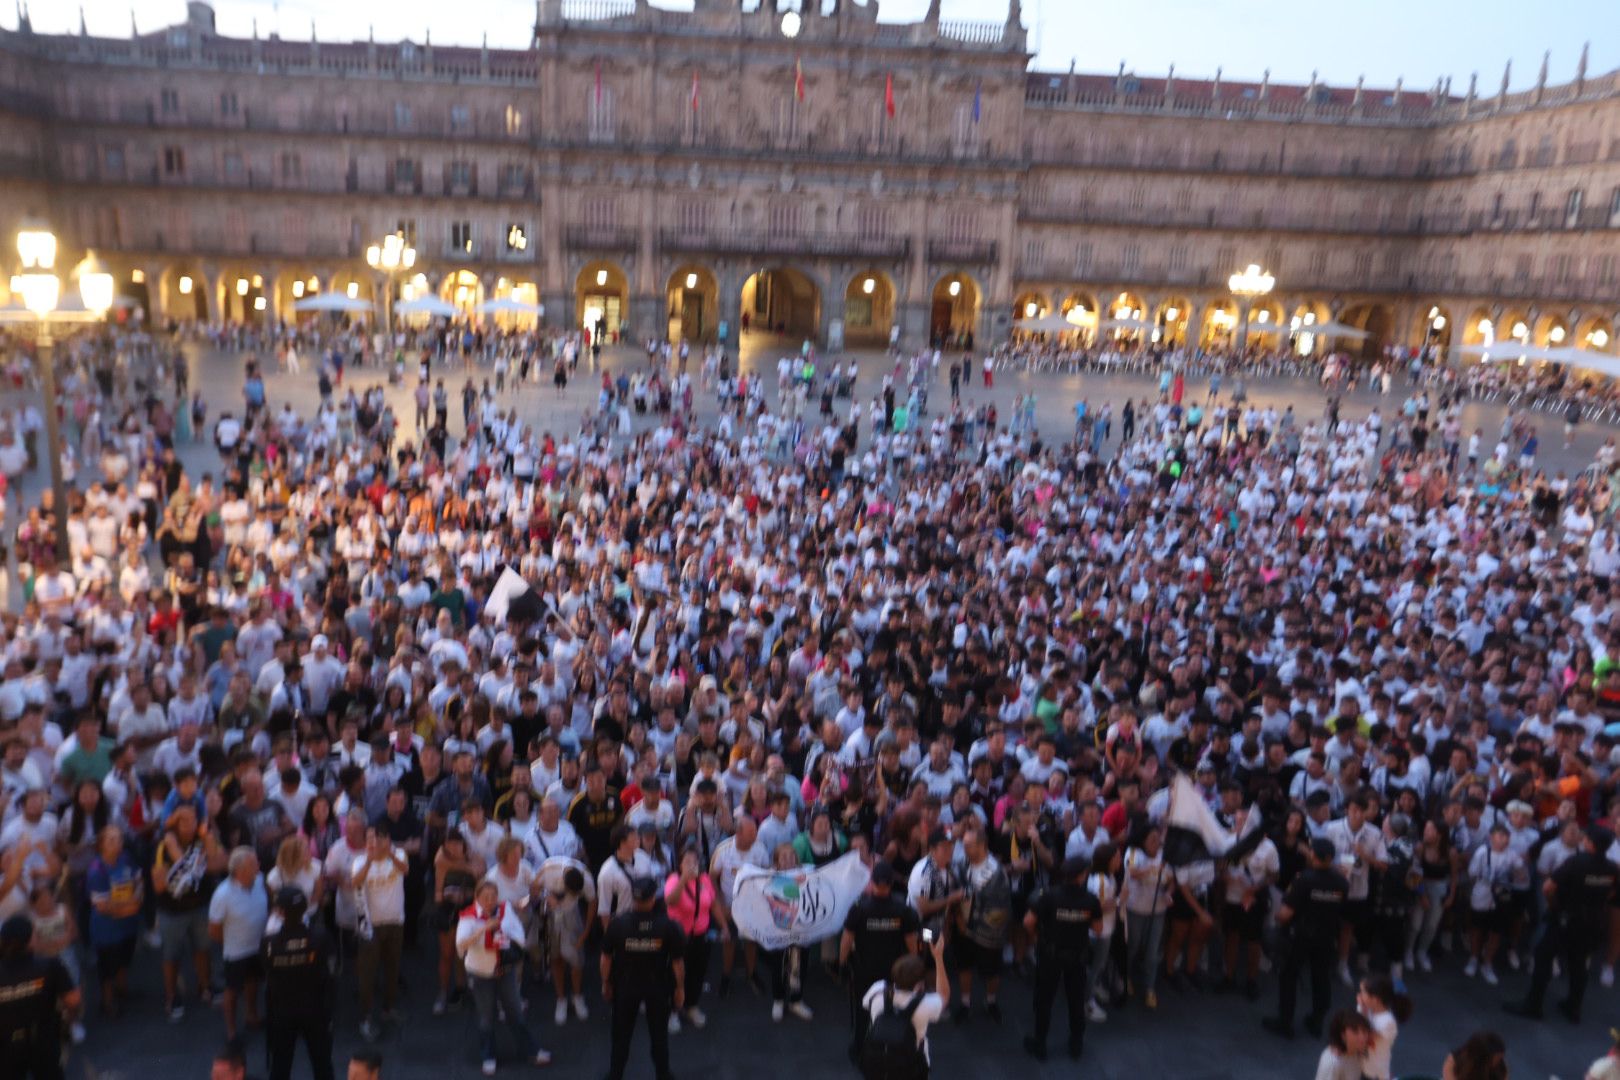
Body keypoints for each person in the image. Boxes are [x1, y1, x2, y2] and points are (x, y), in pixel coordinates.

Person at [1505, 825, 1619, 1022]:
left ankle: (1534, 1004)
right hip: (1592, 922)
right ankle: (1573, 1008)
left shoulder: (1575, 862)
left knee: (1543, 956)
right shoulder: (1612, 868)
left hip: (1566, 918)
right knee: (1579, 963)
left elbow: (1548, 887)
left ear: (1589, 842)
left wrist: (1555, 906)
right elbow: (1612, 893)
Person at [454, 879, 552, 1076]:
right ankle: (488, 1056)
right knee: (486, 1017)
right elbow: (461, 945)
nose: (490, 901)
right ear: (477, 898)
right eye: (485, 897)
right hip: (481, 973)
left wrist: (504, 935)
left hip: (505, 971)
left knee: (515, 1012)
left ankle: (531, 1051)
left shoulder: (505, 910)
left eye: (493, 897)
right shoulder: (468, 917)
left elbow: (518, 935)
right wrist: (483, 929)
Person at [601, 876, 685, 1080]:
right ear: (653, 898)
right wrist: (680, 988)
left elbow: (605, 959)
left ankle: (615, 1075)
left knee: (621, 1037)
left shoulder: (617, 924)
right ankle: (663, 1074)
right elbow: (677, 963)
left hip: (625, 987)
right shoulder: (668, 926)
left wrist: (606, 983)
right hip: (657, 987)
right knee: (659, 1037)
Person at [1263, 837, 1348, 1040]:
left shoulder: (1304, 880)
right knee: (1321, 978)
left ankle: (1285, 1022)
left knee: (1289, 976)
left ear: (1312, 855)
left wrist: (1275, 917)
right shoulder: (1341, 882)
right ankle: (1317, 1021)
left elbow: (1285, 913)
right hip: (1327, 937)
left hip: (1300, 936)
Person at [1021, 855, 1100, 1062]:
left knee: (1044, 1000)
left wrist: (1038, 938)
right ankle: (1076, 1043)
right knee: (1076, 1001)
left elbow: (1028, 922)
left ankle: (1040, 1044)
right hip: (1077, 958)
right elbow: (1098, 929)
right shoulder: (1091, 900)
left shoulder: (1049, 896)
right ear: (1081, 876)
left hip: (1050, 955)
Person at [840, 860, 919, 1059]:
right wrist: (917, 968)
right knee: (894, 1011)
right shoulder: (903, 909)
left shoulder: (859, 908)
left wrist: (841, 963)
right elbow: (912, 943)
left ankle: (860, 1049)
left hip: (864, 971)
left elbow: (847, 940)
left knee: (863, 1011)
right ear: (891, 882)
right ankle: (891, 1050)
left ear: (872, 881)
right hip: (895, 973)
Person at [263, 886, 336, 1080]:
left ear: (279, 912)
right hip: (315, 1009)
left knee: (280, 1065)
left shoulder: (270, 943)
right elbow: (331, 973)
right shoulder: (320, 937)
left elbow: (267, 970)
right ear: (305, 908)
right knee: (322, 1064)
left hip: (282, 1010)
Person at [0, 914, 79, 1080]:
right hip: (43, 1041)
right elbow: (73, 1000)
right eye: (35, 934)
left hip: (5, 1047)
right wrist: (68, 1020)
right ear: (28, 940)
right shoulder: (49, 965)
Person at [859, 938, 949, 1080]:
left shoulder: (877, 989)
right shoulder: (925, 1004)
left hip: (877, 1063)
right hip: (910, 1065)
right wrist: (938, 958)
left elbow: (865, 1004)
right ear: (919, 984)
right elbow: (943, 995)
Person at [351, 824, 408, 1041]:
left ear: (387, 839)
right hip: (370, 927)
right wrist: (369, 859)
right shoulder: (359, 861)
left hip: (395, 922)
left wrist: (390, 853)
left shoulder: (398, 854)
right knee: (367, 974)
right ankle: (365, 1018)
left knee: (393, 968)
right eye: (370, 838)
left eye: (378, 838)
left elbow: (405, 869)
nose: (374, 842)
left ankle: (388, 1008)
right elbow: (355, 881)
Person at [663, 844, 726, 1033]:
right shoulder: (674, 880)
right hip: (679, 938)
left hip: (701, 935)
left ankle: (691, 1006)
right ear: (680, 864)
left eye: (695, 861)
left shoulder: (705, 879)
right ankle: (673, 1011)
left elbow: (713, 904)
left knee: (697, 973)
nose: (692, 865)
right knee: (676, 976)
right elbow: (670, 901)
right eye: (687, 861)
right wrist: (683, 880)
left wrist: (723, 926)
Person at [209, 846, 269, 1041]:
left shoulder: (259, 881)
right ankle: (231, 1031)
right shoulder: (223, 894)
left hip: (257, 947)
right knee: (232, 990)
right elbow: (214, 929)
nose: (258, 865)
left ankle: (251, 1016)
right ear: (240, 870)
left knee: (253, 982)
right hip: (235, 952)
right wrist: (232, 942)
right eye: (253, 863)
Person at [1356, 974, 1412, 1080]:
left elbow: (1365, 1036)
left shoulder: (1388, 1022)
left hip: (1375, 1073)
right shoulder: (1368, 1010)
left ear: (1375, 999)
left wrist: (1363, 1013)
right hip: (1362, 1066)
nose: (1360, 995)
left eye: (1363, 992)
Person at [1314, 1009, 1373, 1080]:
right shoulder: (1333, 1063)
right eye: (1355, 1032)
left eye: (1364, 1031)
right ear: (1343, 1035)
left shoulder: (1358, 1049)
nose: (1362, 1037)